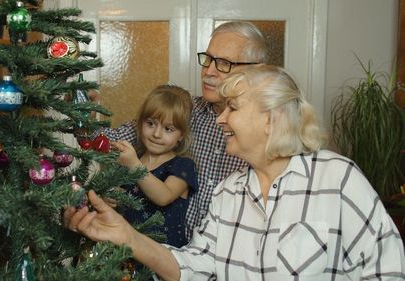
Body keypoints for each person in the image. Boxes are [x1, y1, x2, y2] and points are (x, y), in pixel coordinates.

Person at [64, 65, 405, 280]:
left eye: (234, 108)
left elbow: (386, 270)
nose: (219, 118)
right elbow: (197, 267)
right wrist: (129, 238)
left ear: (272, 118)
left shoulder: (338, 179)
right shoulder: (228, 191)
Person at [100, 21, 269, 239]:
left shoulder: (271, 129)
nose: (208, 71)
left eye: (224, 63)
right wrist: (82, 113)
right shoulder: (183, 109)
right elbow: (108, 142)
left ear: (257, 70)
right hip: (170, 256)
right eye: (208, 59)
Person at [112, 85, 198, 248]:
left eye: (168, 129)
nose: (157, 134)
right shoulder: (131, 160)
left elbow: (163, 197)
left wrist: (134, 165)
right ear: (140, 123)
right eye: (151, 124)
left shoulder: (183, 165)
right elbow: (121, 197)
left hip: (165, 255)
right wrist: (112, 198)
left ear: (181, 136)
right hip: (127, 251)